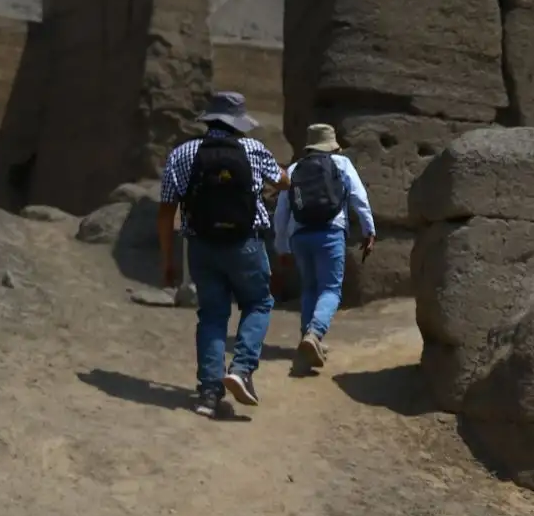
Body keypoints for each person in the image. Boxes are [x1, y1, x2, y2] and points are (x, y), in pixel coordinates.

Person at [157, 91, 288, 418]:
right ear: (239, 122)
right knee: (258, 303)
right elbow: (284, 181)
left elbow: (165, 212)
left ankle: (209, 393)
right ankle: (241, 369)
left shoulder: (182, 153)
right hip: (245, 243)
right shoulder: (254, 150)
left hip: (201, 245)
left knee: (213, 314)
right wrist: (276, 180)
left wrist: (169, 260)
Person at [274, 123, 376, 371]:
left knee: (309, 287)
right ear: (332, 145)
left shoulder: (295, 168)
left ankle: (307, 339)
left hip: (300, 236)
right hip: (330, 233)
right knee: (330, 289)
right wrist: (368, 229)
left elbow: (282, 209)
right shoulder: (341, 164)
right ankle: (315, 334)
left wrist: (281, 246)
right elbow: (358, 197)